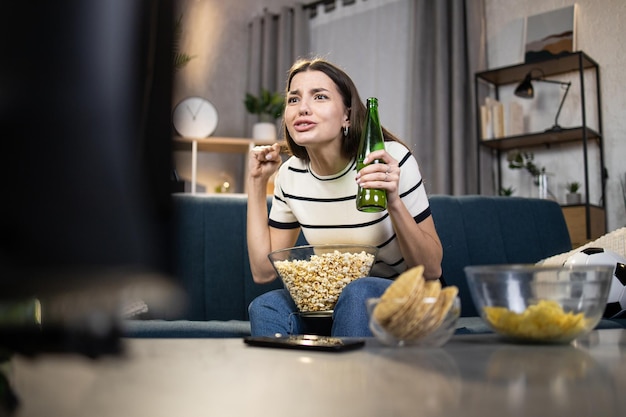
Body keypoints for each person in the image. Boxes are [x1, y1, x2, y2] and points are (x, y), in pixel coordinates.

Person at [246, 57, 443, 337]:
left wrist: (394, 202)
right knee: (266, 306)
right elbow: (263, 272)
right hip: (334, 303)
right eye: (293, 100)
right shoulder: (290, 175)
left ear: (347, 116)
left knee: (359, 292)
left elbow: (432, 269)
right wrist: (256, 183)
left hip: (407, 300)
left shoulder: (389, 160)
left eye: (320, 97)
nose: (303, 108)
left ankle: (348, 380)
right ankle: (289, 381)